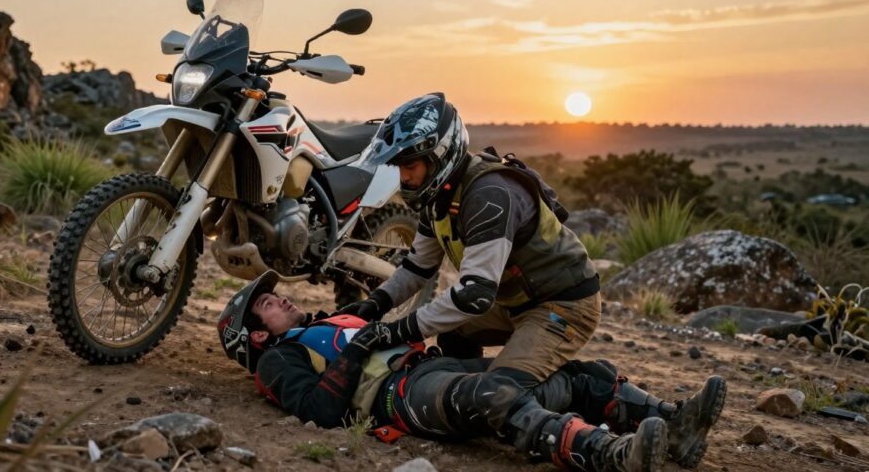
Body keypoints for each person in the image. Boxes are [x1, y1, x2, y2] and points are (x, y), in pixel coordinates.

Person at [217, 271, 727, 472]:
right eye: (267, 302)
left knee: (570, 375)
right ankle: (608, 454)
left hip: (430, 368)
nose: (281, 296)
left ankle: (675, 425)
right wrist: (357, 353)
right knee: (488, 393)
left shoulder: (329, 321)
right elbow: (320, 411)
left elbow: (391, 290)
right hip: (400, 397)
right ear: (256, 335)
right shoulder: (279, 359)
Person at [340, 92, 601, 390]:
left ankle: (595, 386)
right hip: (515, 301)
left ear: (439, 155)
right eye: (399, 167)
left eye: (410, 166)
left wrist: (396, 331)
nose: (405, 177)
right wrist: (373, 306)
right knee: (453, 335)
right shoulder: (438, 198)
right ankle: (488, 384)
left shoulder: (487, 195)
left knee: (499, 390)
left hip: (563, 304)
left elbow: (473, 295)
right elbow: (416, 269)